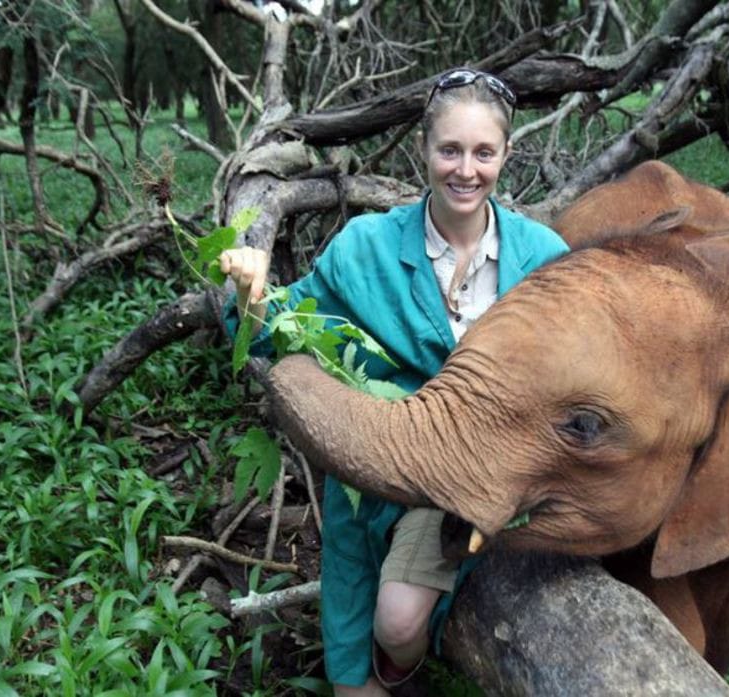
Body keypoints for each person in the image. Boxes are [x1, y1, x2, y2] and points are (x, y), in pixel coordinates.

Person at [220, 68, 569, 696]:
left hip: (512, 477)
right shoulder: (367, 248)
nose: (466, 170)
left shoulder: (545, 257)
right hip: (397, 476)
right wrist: (250, 293)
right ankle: (399, 666)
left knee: (408, 614)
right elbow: (283, 330)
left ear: (506, 154)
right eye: (450, 150)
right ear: (423, 149)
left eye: (484, 152)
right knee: (390, 631)